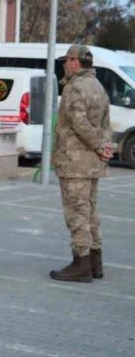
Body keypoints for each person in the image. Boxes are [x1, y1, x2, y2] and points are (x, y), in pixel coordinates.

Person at [49, 44, 112, 283]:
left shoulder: (75, 88)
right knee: (91, 212)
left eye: (67, 60)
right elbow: (106, 123)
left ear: (76, 62)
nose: (64, 64)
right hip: (92, 164)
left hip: (74, 162)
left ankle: (81, 263)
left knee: (76, 213)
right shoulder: (98, 86)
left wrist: (97, 145)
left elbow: (79, 123)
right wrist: (105, 147)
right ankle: (96, 262)